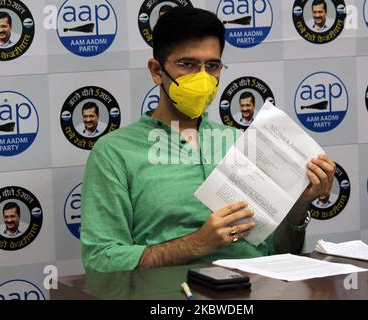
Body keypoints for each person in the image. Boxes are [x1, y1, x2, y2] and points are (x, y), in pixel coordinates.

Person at [81, 7, 335, 273]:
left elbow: (281, 254)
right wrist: (195, 245)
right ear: (157, 71)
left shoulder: (241, 142)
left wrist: (299, 205)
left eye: (212, 66)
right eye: (187, 64)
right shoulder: (114, 152)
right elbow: (101, 259)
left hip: (254, 290)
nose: (202, 77)